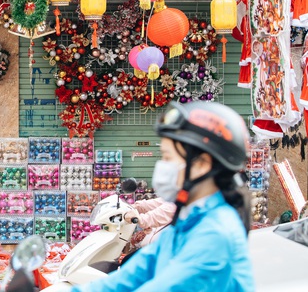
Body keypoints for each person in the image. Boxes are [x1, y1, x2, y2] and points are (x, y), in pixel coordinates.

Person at [75, 101, 255, 292]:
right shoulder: (187, 222)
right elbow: (134, 274)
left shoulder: (215, 235)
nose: (162, 166)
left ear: (202, 164)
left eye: (168, 157)